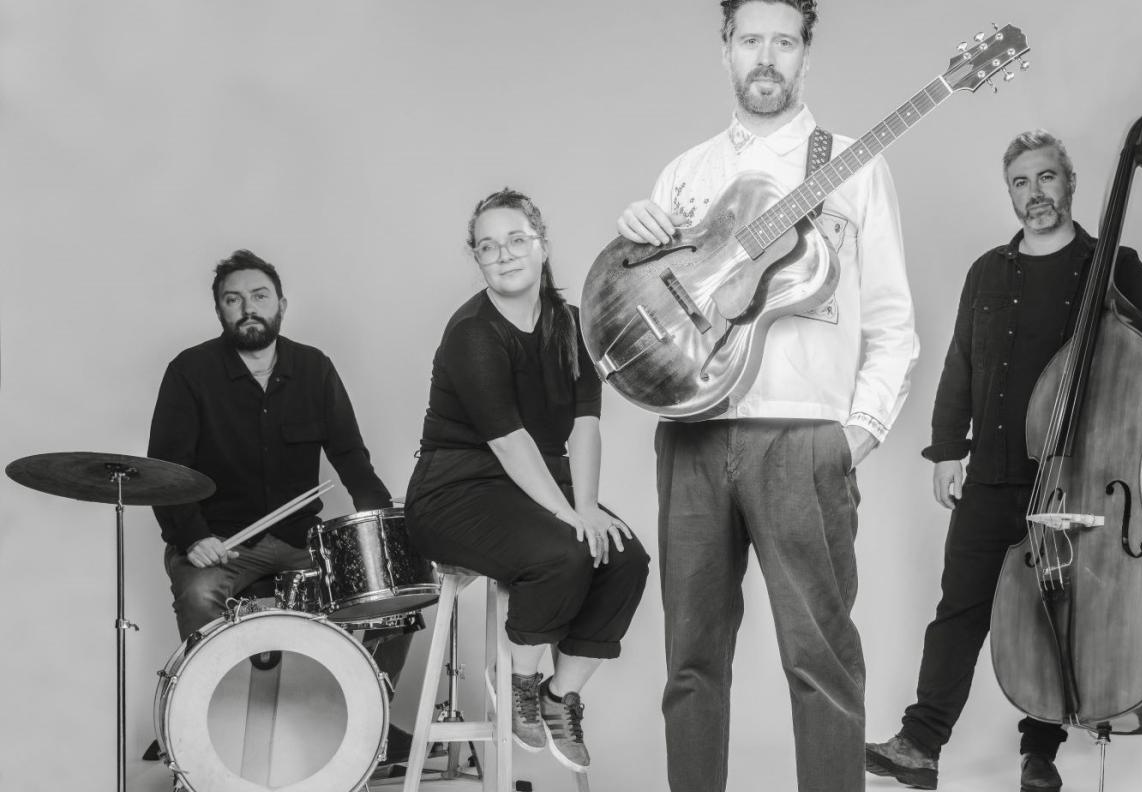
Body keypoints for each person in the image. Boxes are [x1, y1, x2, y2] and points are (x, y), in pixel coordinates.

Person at [614, 2, 918, 789]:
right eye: (751, 39)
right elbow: (651, 314)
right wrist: (631, 240)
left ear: (806, 55)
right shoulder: (685, 175)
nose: (766, 56)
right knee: (691, 663)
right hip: (693, 437)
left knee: (821, 663)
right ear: (726, 50)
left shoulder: (854, 164)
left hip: (803, 441)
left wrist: (856, 436)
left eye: (784, 41)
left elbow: (892, 321)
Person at [864, 129, 1142, 792]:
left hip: (1078, 478)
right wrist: (946, 450)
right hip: (994, 472)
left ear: (1070, 183)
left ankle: (1040, 753)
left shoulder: (1107, 263)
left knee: (1058, 607)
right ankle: (920, 744)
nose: (1035, 194)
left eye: (1046, 178)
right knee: (959, 608)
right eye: (1021, 183)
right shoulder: (988, 272)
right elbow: (961, 364)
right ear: (1011, 193)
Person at [404, 188, 649, 773]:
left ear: (541, 245)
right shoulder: (472, 333)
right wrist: (572, 518)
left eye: (516, 240)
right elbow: (510, 443)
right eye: (488, 247)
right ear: (478, 259)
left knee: (624, 557)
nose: (504, 254)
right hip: (456, 491)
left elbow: (586, 423)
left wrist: (586, 507)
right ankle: (515, 674)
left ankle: (559, 695)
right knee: (566, 552)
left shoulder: (572, 322)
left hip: (537, 483)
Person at [147, 249, 416, 765]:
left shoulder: (313, 368)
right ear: (221, 312)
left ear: (281, 305)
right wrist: (192, 537)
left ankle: (367, 721)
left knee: (391, 596)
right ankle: (205, 726)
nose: (247, 307)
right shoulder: (189, 372)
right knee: (200, 594)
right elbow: (168, 470)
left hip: (299, 542)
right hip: (220, 542)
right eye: (233, 299)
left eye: (259, 296)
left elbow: (351, 460)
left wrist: (381, 529)